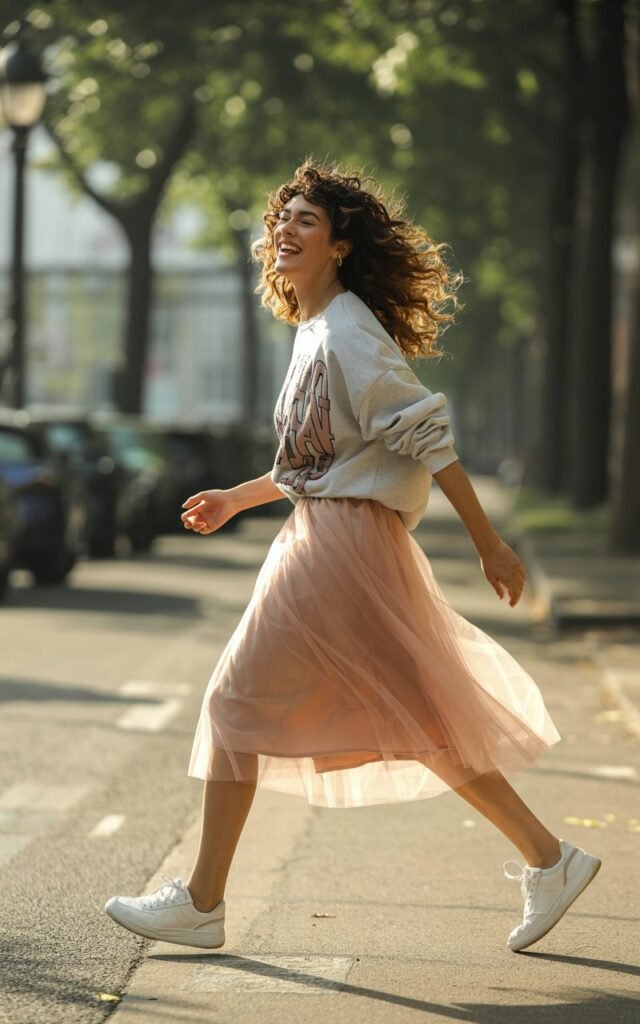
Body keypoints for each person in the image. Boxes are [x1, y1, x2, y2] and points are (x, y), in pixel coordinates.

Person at [105, 160, 600, 955]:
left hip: (340, 543)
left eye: (306, 220)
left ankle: (202, 901)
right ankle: (552, 857)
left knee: (236, 703)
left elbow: (424, 432)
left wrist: (491, 543)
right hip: (334, 533)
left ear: (339, 246)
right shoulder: (318, 333)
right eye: (282, 219)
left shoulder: (348, 332)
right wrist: (237, 497)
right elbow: (318, 460)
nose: (285, 231)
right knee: (421, 716)